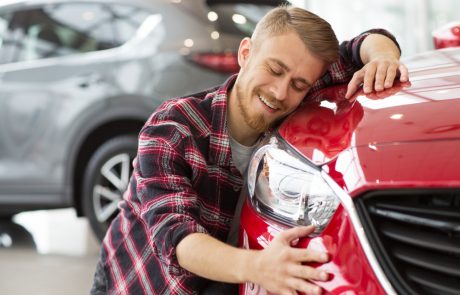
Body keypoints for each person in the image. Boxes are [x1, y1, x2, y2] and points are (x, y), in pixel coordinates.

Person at [91, 5, 409, 295]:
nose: (280, 92)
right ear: (246, 53)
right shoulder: (173, 129)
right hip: (139, 282)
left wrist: (385, 59)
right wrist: (261, 267)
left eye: (299, 85)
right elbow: (178, 242)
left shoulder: (298, 88)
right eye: (273, 69)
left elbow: (366, 43)